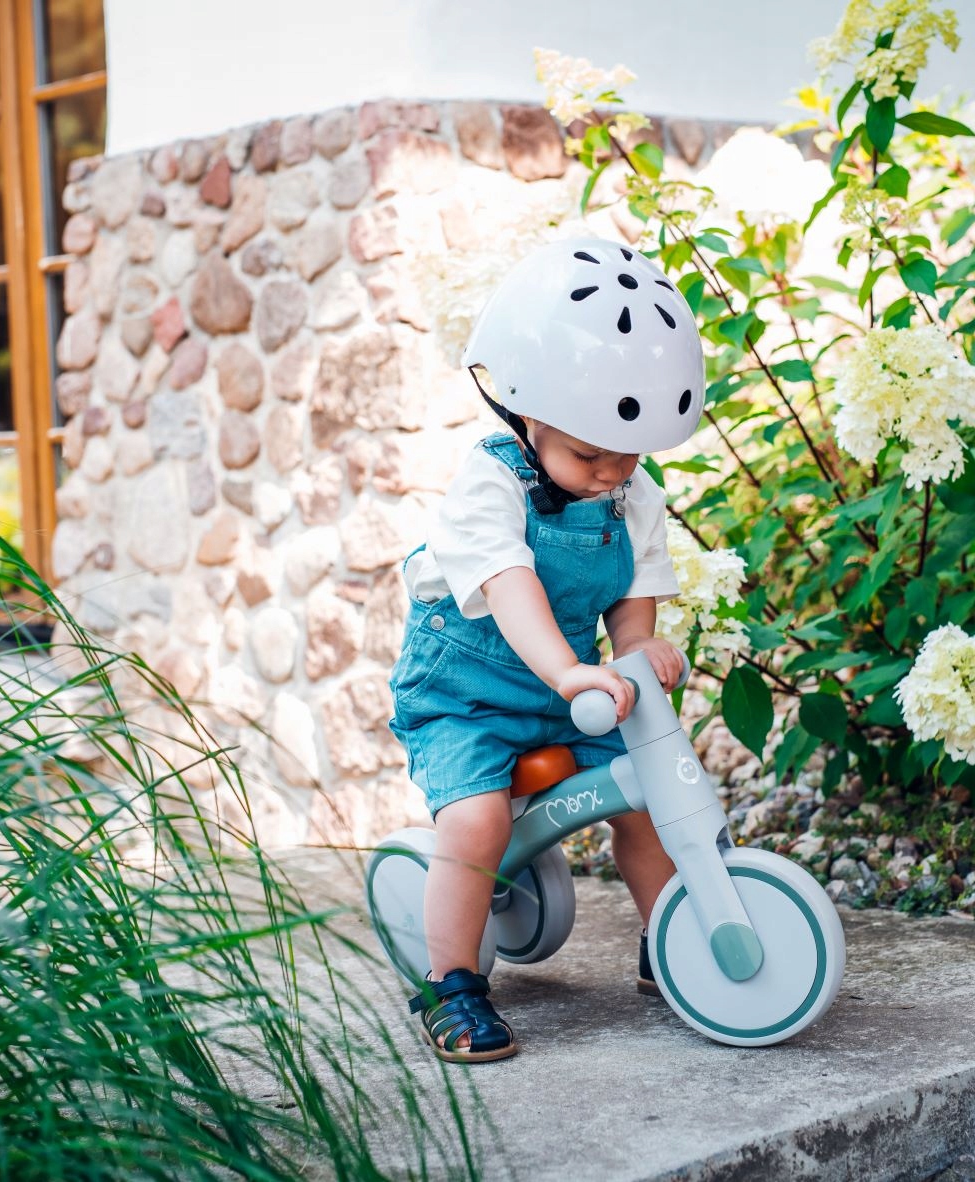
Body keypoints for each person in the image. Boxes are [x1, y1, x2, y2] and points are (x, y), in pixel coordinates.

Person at [387, 235, 707, 1063]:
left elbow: (631, 596)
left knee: (648, 792)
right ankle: (450, 982)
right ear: (526, 417)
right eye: (586, 454)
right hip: (468, 695)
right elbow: (510, 588)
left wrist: (640, 645)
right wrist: (568, 670)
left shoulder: (631, 496)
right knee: (475, 819)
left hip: (576, 686)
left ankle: (675, 930)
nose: (609, 474)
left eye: (624, 454)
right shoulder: (489, 486)